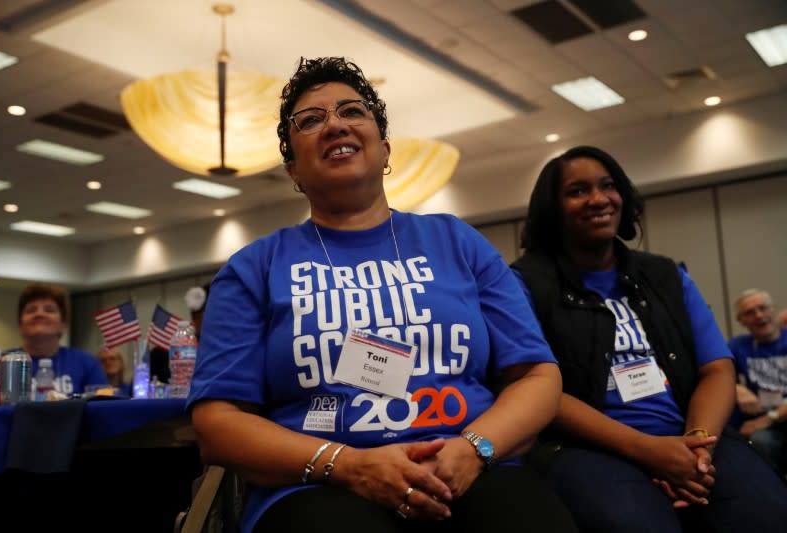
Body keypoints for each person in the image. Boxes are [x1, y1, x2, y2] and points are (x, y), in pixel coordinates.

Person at [188, 57, 576, 533]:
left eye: (352, 111)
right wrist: (348, 465)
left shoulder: (458, 243)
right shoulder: (254, 268)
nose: (334, 125)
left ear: (385, 148)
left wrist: (474, 447)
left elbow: (538, 375)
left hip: (469, 469)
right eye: (310, 121)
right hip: (318, 485)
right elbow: (216, 423)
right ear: (292, 169)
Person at [510, 146, 787, 532]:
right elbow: (533, 387)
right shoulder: (524, 283)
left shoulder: (666, 276)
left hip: (691, 435)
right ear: (552, 208)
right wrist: (649, 451)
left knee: (765, 514)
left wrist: (697, 445)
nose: (598, 199)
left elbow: (717, 368)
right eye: (577, 191)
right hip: (587, 449)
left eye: (608, 186)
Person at [728, 288, 787, 474]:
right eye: (749, 312)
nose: (759, 315)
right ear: (741, 321)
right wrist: (736, 387)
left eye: (763, 308)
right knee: (759, 441)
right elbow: (717, 374)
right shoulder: (737, 346)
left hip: (771, 417)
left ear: (774, 310)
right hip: (768, 424)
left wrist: (768, 419)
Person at [15, 283, 108, 396]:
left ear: (63, 324)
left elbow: (102, 407)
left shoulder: (87, 363)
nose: (39, 314)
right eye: (31, 310)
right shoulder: (1, 363)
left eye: (49, 310)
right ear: (20, 324)